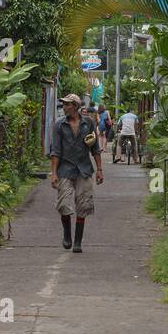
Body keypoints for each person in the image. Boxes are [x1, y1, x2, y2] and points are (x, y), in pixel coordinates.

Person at [49, 94, 104, 253]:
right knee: (64, 204)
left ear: (75, 106)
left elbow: (95, 149)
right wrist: (53, 173)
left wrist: (99, 170)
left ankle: (78, 241)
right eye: (64, 104)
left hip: (84, 169)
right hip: (65, 169)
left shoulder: (89, 123)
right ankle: (67, 233)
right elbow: (55, 152)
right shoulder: (60, 126)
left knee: (83, 204)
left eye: (67, 105)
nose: (64, 107)